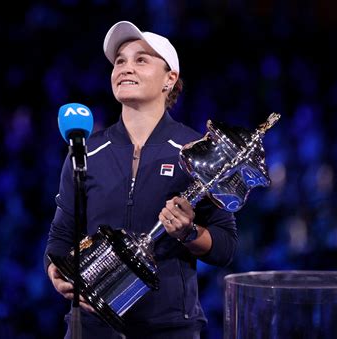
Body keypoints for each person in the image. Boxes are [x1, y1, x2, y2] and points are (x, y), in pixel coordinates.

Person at [44, 20, 238, 339]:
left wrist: (188, 231)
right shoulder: (86, 149)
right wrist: (55, 269)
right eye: (120, 60)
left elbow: (226, 246)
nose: (125, 67)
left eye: (141, 59)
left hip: (170, 328)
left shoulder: (196, 151)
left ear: (169, 78)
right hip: (93, 328)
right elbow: (62, 233)